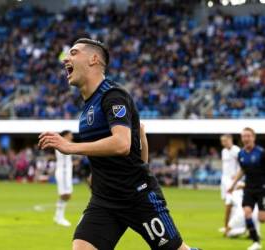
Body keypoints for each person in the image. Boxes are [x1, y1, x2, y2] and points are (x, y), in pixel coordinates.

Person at [38, 38, 200, 250]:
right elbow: (138, 135)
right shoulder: (88, 107)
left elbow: (122, 144)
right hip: (104, 200)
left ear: (94, 59)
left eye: (74, 53)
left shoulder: (113, 95)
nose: (66, 59)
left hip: (137, 197)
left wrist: (71, 147)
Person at [228, 127, 265, 250]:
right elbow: (243, 170)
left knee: (262, 218)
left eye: (248, 136)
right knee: (247, 213)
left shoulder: (261, 152)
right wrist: (233, 185)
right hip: (249, 189)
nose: (246, 138)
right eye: (244, 136)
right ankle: (256, 242)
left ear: (253, 137)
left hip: (262, 189)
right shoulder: (241, 154)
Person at [219, 134, 240, 233]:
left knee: (231, 203)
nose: (223, 143)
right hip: (224, 180)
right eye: (222, 141)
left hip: (233, 181)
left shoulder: (236, 150)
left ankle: (230, 226)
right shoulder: (224, 151)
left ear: (230, 140)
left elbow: (242, 165)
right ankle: (228, 226)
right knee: (226, 202)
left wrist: (236, 176)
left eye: (225, 141)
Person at [54, 130, 74, 227]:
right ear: (65, 135)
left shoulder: (64, 143)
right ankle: (59, 218)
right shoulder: (62, 144)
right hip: (64, 172)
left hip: (66, 171)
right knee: (66, 195)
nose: (72, 137)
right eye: (70, 135)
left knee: (66, 195)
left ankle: (58, 216)